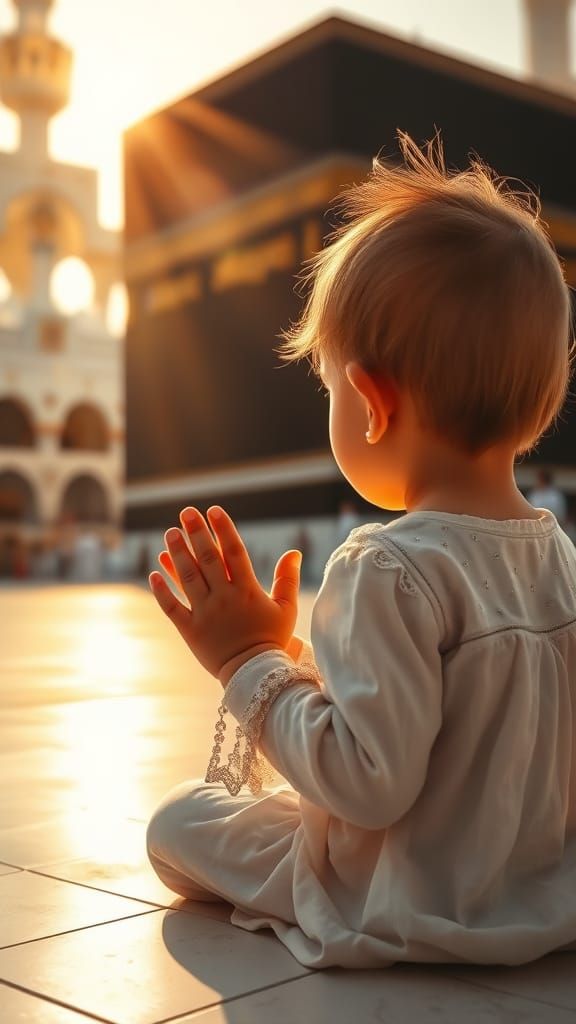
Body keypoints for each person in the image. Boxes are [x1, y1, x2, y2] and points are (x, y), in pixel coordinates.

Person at [145, 130, 576, 970]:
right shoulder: (561, 558)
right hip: (537, 887)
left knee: (177, 824)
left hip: (403, 898)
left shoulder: (388, 566)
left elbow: (366, 784)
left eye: (331, 385)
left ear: (372, 404)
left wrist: (251, 663)